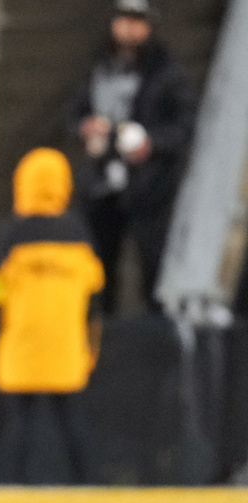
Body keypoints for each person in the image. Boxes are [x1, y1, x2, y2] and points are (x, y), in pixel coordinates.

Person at [0, 148, 104, 484]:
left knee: (19, 424)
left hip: (21, 348)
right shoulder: (78, 233)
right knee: (72, 422)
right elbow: (95, 299)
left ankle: (13, 485)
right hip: (67, 348)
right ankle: (89, 485)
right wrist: (91, 350)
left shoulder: (12, 234)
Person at [66, 0, 195, 314]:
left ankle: (157, 331)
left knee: (153, 268)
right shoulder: (99, 66)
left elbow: (184, 125)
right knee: (98, 270)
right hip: (101, 184)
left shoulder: (167, 71)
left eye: (137, 21)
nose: (129, 29)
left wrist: (152, 143)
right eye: (124, 19)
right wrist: (85, 127)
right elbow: (74, 113)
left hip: (149, 188)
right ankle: (101, 329)